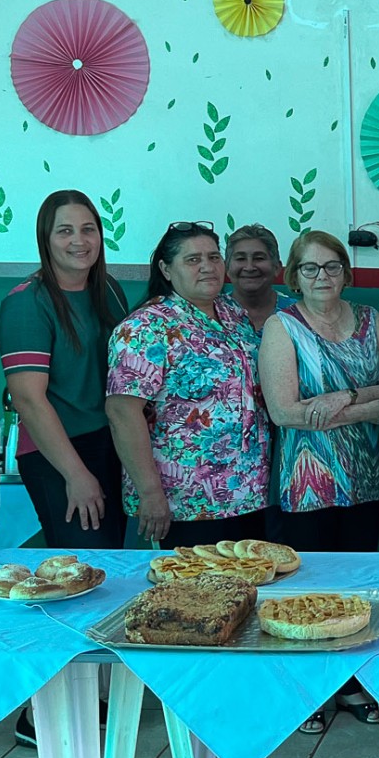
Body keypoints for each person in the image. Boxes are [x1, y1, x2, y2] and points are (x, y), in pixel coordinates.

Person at [259, 230, 379, 731]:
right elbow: (284, 412)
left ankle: (351, 683)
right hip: (308, 482)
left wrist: (344, 397)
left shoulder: (370, 318)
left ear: (346, 271)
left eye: (332, 266)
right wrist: (364, 409)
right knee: (310, 589)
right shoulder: (282, 326)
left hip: (365, 478)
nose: (322, 276)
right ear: (294, 276)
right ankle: (311, 689)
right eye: (310, 268)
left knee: (357, 588)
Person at [106, 222, 270, 547]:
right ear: (166, 269)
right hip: (184, 502)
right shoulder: (145, 327)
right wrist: (150, 493)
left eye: (213, 257)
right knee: (192, 580)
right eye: (193, 259)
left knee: (252, 578)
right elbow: (122, 413)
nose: (207, 266)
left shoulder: (234, 313)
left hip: (249, 493)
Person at [0, 191, 130, 551]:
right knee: (86, 563)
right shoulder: (26, 303)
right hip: (57, 451)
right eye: (65, 231)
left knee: (116, 561)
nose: (79, 241)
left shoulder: (109, 290)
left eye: (88, 229)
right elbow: (28, 399)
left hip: (110, 442)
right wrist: (76, 474)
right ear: (46, 238)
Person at [225, 223, 289, 336]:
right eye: (240, 259)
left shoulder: (297, 314)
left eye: (259, 258)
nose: (249, 267)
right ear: (227, 268)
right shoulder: (212, 313)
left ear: (277, 267)